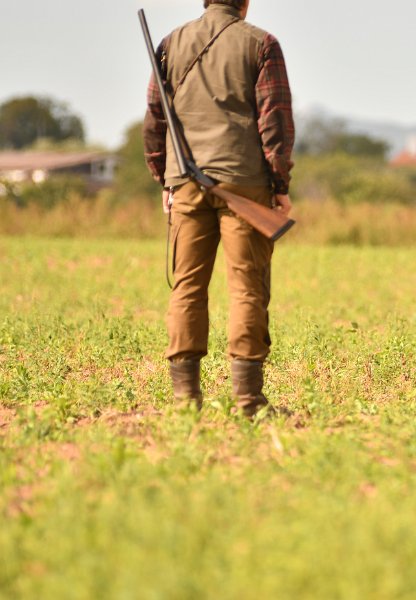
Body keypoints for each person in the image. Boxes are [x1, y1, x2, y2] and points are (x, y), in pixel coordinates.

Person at [143, 0, 295, 417]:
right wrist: (279, 183)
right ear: (244, 2)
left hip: (186, 184)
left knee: (186, 286)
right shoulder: (262, 43)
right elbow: (275, 121)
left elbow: (155, 119)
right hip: (245, 185)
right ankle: (249, 402)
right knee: (247, 287)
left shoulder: (170, 44)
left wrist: (164, 178)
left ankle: (184, 401)